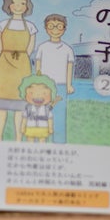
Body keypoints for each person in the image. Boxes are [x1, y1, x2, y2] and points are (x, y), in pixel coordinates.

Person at [0, 0, 37, 141]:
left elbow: (31, 46)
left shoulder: (30, 26)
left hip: (22, 65)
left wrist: (22, 56)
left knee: (20, 104)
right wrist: (5, 55)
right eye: (15, 2)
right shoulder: (2, 24)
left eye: (23, 3)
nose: (19, 6)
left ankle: (18, 137)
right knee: (1, 105)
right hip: (4, 64)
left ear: (27, 6)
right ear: (8, 5)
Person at [34, 14, 75, 143]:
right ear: (46, 28)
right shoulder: (42, 47)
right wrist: (38, 82)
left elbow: (69, 68)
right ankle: (40, 140)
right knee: (41, 113)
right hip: (44, 85)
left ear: (64, 28)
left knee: (59, 114)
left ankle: (59, 142)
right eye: (51, 26)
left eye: (59, 27)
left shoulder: (68, 49)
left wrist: (69, 85)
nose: (55, 30)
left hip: (61, 85)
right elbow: (38, 66)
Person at [18, 74, 57, 143]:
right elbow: (24, 118)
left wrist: (50, 128)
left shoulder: (47, 109)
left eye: (44, 93)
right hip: (30, 128)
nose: (38, 95)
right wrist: (22, 127)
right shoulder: (28, 108)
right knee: (30, 141)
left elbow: (50, 119)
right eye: (32, 93)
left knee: (42, 142)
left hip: (43, 128)